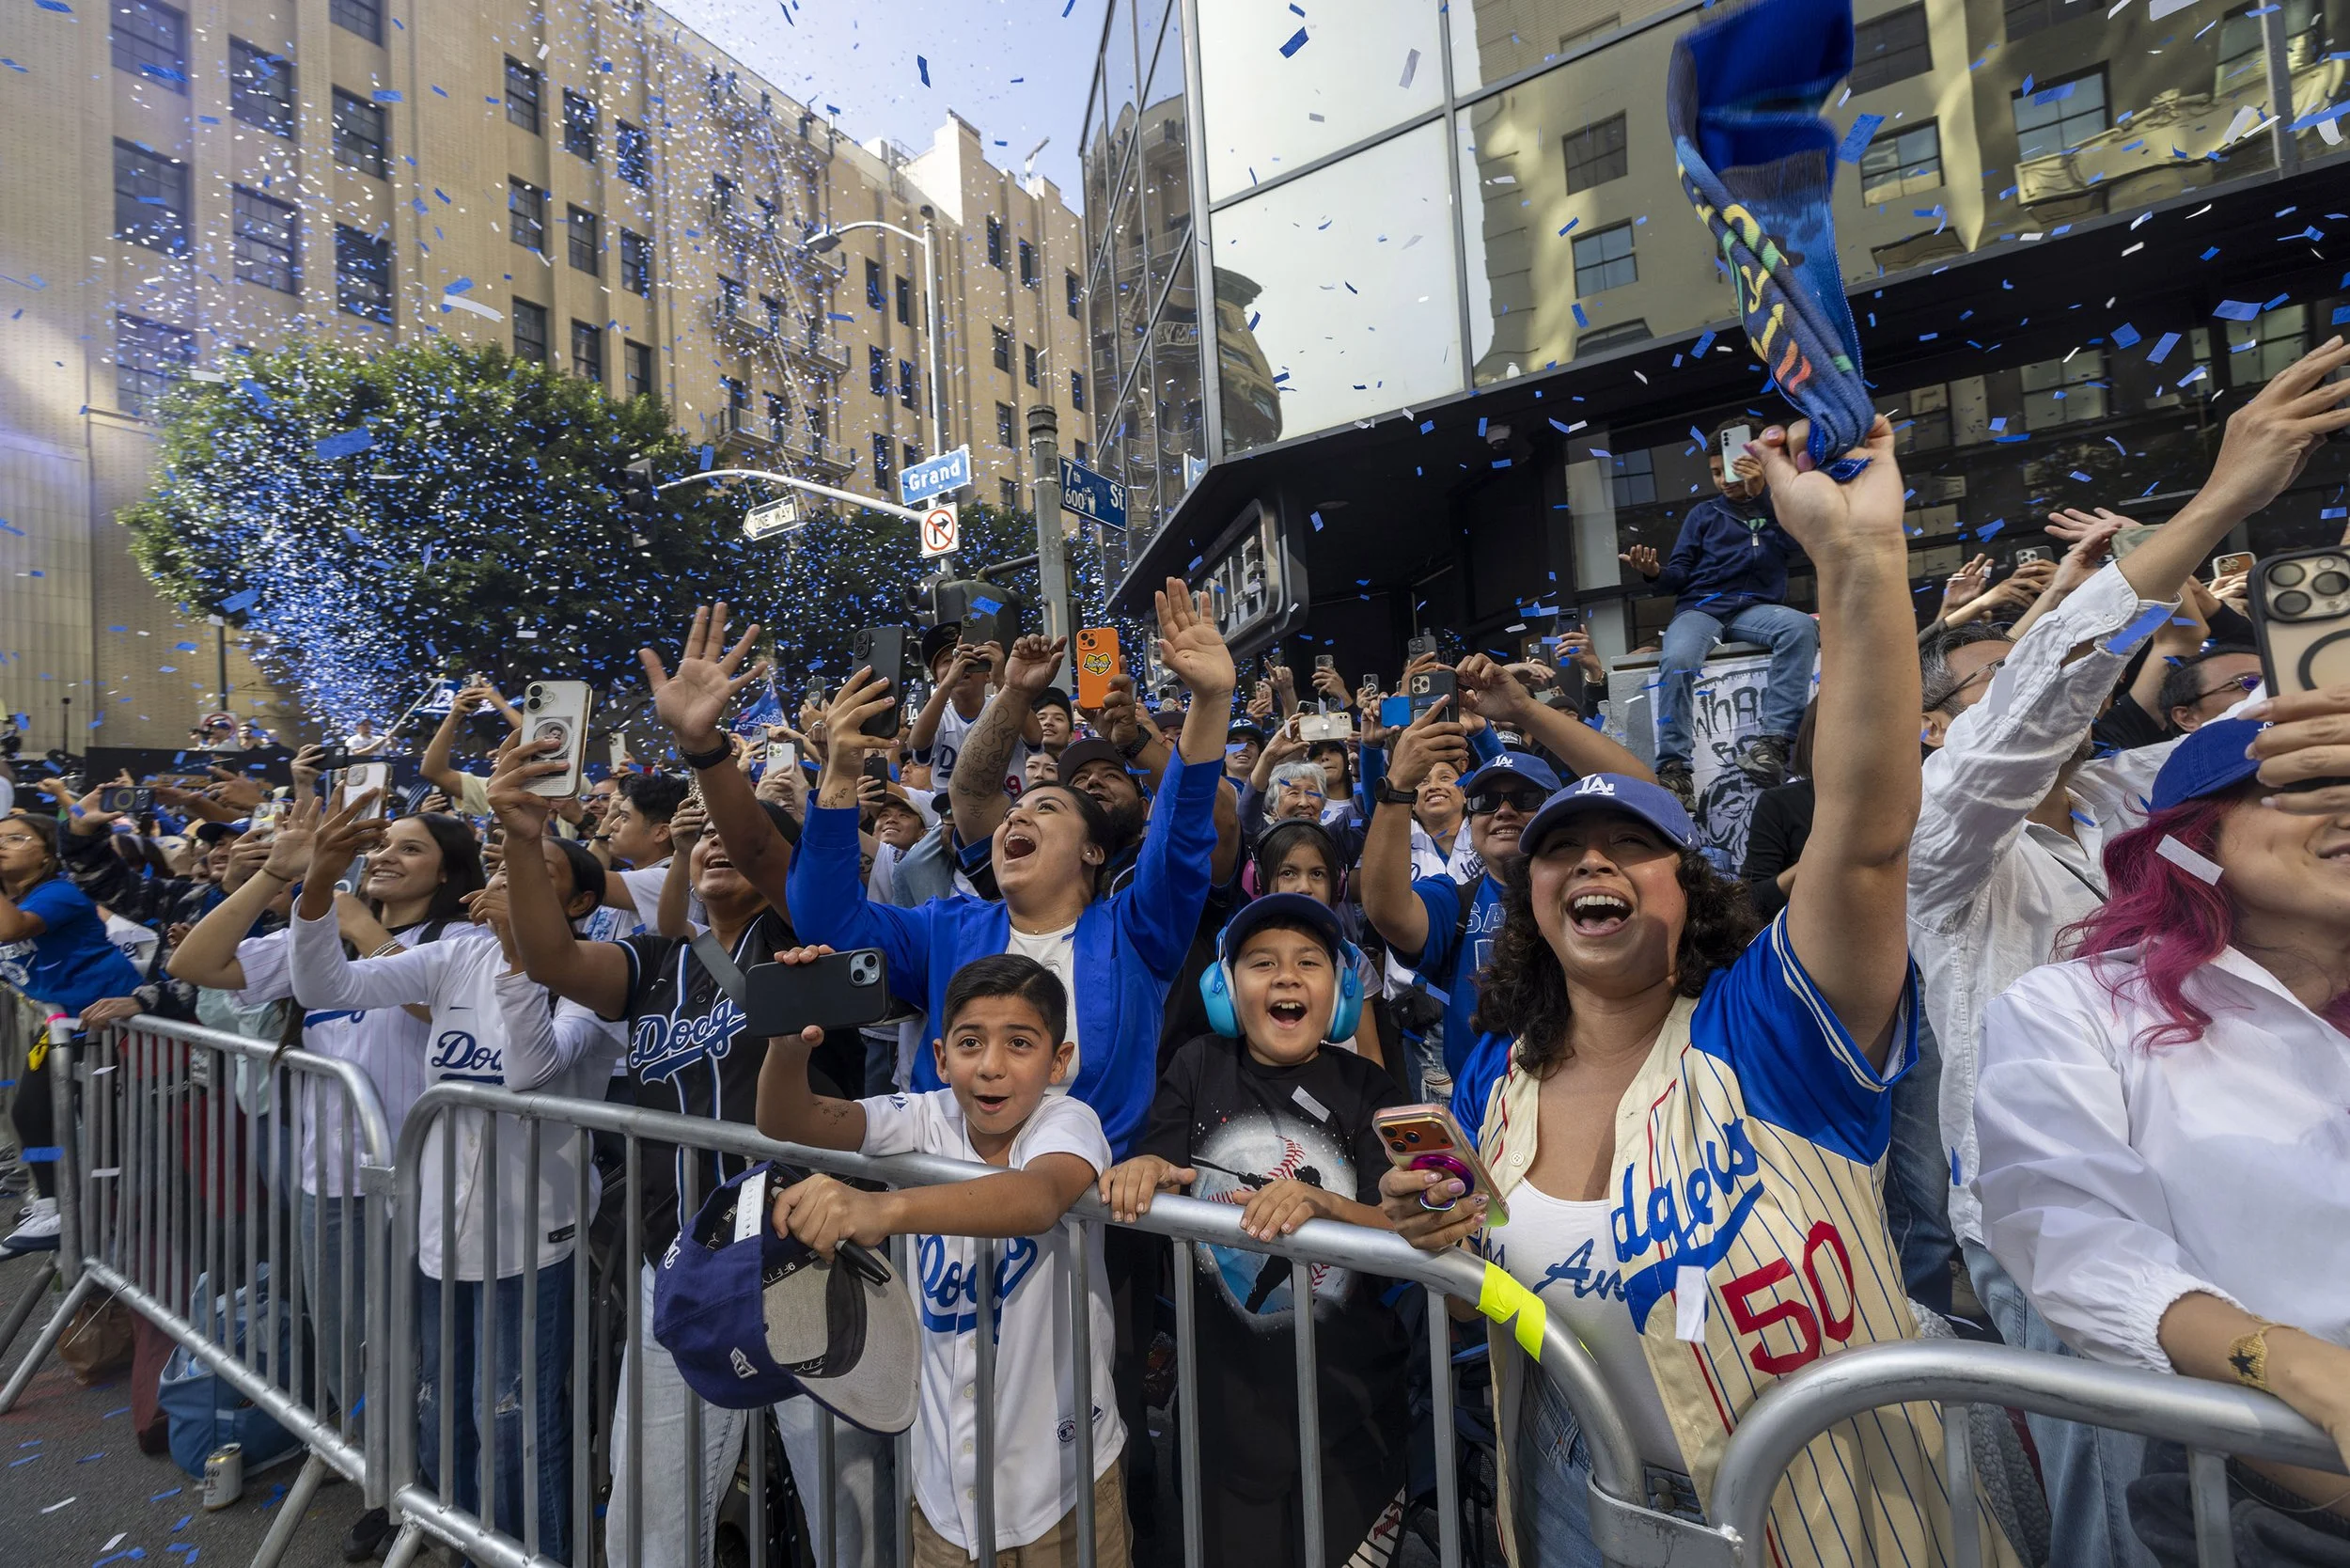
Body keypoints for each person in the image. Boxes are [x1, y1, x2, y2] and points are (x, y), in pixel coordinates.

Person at [1381, 418, 2017, 1568]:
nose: (1591, 865)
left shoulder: (1774, 1031)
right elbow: (1499, 1262)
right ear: (1531, 902)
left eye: (1632, 847)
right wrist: (1436, 1227)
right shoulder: (1497, 1076)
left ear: (1693, 890)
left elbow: (1866, 839)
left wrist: (1861, 562)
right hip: (1578, 1496)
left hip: (1818, 1506)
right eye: (1563, 852)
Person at [1911, 337, 2350, 1568]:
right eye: (1986, 692)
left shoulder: (2129, 809)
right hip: (2052, 1233)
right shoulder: (1960, 872)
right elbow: (2016, 721)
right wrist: (2211, 506)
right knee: (2133, 1509)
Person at [493, 727, 890, 1568]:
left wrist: (716, 760)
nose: (713, 841)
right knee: (650, 1517)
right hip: (679, 1264)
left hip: (805, 1261)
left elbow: (761, 842)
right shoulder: (654, 961)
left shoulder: (803, 940)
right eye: (699, 834)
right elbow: (551, 958)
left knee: (845, 1515)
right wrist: (524, 840)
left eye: (733, 835)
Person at [1974, 707, 2350, 1562]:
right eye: (2303, 785)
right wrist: (2297, 1367)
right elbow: (2079, 1241)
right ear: (2197, 838)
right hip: (2267, 1499)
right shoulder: (2078, 1009)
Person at [772, 581, 1233, 1161]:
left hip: (1092, 1223)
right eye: (1014, 810)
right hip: (946, 1221)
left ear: (1093, 851)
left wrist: (1211, 701)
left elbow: (1182, 831)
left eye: (1047, 806)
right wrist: (837, 773)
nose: (1018, 816)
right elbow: (825, 918)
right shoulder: (944, 930)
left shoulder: (1136, 933)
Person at [288, 788, 619, 1564]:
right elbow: (326, 989)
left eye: (537, 873)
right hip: (437, 1227)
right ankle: (462, 1543)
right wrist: (315, 888)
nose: (511, 880)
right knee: (443, 1409)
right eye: (507, 867)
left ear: (574, 902)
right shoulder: (453, 954)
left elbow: (529, 1075)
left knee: (515, 1420)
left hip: (532, 1237)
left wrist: (516, 959)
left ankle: (535, 1553)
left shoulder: (599, 977)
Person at [757, 951, 1128, 1567]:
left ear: (1059, 1061)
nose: (991, 1067)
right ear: (939, 1057)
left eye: (1019, 1043)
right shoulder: (927, 1116)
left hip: (1063, 1489)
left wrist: (881, 1212)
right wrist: (790, 1048)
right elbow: (786, 1119)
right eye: (970, 1042)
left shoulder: (1069, 1120)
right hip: (943, 1497)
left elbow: (1035, 1199)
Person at [1101, 894, 1409, 1568]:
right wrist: (1145, 1168)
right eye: (1261, 963)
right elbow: (1165, 1167)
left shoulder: (1371, 1090)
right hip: (1225, 1421)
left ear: (1342, 991)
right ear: (1224, 988)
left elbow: (1404, 1230)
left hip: (1351, 1419)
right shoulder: (1196, 1064)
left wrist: (1328, 1209)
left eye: (1309, 962)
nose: (1287, 977)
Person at [1362, 654, 1652, 1095]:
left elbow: (1647, 800)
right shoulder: (1454, 901)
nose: (1503, 811)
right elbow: (1387, 910)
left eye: (1525, 797)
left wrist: (1525, 710)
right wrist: (1398, 784)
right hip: (1488, 1117)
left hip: (1601, 1099)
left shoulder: (1599, 888)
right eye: (1484, 801)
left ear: (1557, 815)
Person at [1618, 418, 1817, 798]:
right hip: (1701, 609)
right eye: (1714, 472)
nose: (1723, 479)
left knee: (1800, 628)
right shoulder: (1704, 515)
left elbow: (1801, 546)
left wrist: (1764, 495)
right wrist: (1653, 573)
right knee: (1677, 658)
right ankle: (1675, 767)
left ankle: (1774, 744)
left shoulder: (1782, 505)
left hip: (1757, 610)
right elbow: (1677, 575)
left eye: (1729, 467)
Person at [0, 810, 147, 1252]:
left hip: (112, 1023)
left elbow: (13, 930)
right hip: (64, 1026)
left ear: (48, 854)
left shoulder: (59, 893)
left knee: (105, 1129)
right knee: (28, 1112)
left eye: (16, 838)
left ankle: (106, 1220)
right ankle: (50, 1205)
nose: (2, 844)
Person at [909, 629, 1030, 794]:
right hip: (952, 816)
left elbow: (1035, 738)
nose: (959, 665)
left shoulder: (1006, 703)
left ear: (987, 674)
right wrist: (948, 683)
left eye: (970, 659)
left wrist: (1002, 680)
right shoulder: (939, 716)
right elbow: (918, 742)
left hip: (1008, 812)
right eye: (948, 661)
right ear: (937, 678)